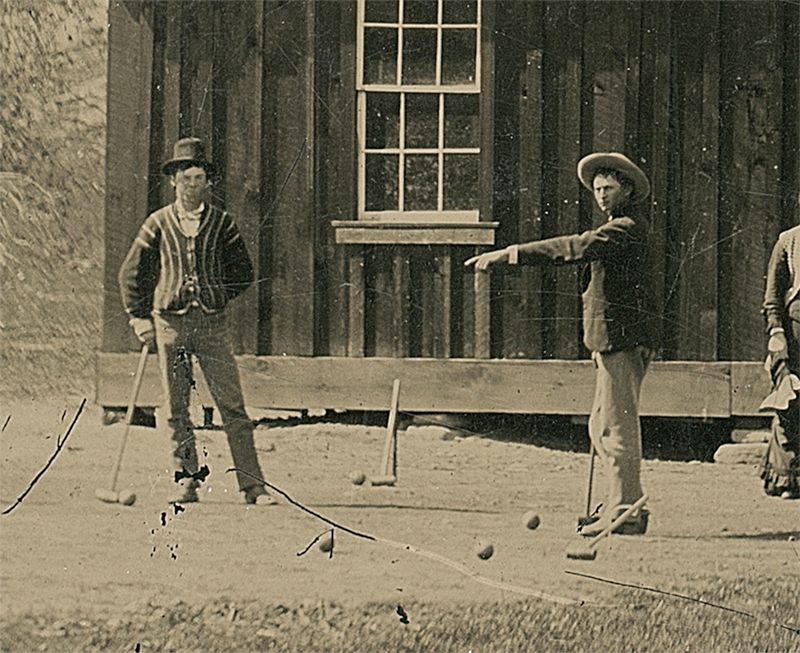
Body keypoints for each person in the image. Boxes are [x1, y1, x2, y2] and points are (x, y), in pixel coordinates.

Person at [465, 152, 656, 536]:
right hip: (611, 339)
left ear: (628, 190)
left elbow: (576, 246)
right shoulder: (618, 226)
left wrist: (511, 254)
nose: (602, 195)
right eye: (598, 189)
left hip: (621, 339)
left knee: (615, 429)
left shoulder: (626, 228)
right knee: (601, 426)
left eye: (610, 188)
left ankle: (626, 513)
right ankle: (619, 506)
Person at [119, 137, 276, 505]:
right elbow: (131, 275)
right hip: (169, 325)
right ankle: (186, 481)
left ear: (208, 182)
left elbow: (243, 272)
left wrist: (216, 294)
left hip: (211, 325)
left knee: (232, 406)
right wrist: (139, 319)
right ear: (173, 180)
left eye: (199, 177)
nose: (192, 185)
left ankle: (253, 486)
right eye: (186, 177)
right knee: (175, 408)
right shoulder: (157, 223)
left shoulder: (223, 223)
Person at [759, 195, 800, 499]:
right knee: (792, 402)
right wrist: (777, 332)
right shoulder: (789, 241)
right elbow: (773, 296)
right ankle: (789, 478)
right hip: (795, 337)